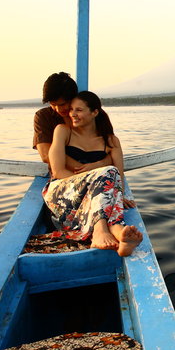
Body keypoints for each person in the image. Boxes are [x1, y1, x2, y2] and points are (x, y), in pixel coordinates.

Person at [42, 90, 142, 257]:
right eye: (72, 109)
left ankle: (119, 234)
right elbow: (58, 171)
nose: (73, 114)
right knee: (108, 173)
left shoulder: (110, 140)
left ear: (95, 112)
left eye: (79, 110)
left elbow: (120, 175)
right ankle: (100, 231)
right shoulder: (63, 131)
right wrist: (94, 180)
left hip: (93, 197)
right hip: (61, 193)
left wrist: (118, 194)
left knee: (110, 176)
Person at [33, 72, 112, 170]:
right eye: (53, 104)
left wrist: (98, 166)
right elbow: (46, 154)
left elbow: (111, 149)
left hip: (97, 174)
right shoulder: (44, 116)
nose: (58, 109)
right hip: (66, 177)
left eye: (62, 104)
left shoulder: (93, 114)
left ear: (73, 97)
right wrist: (85, 171)